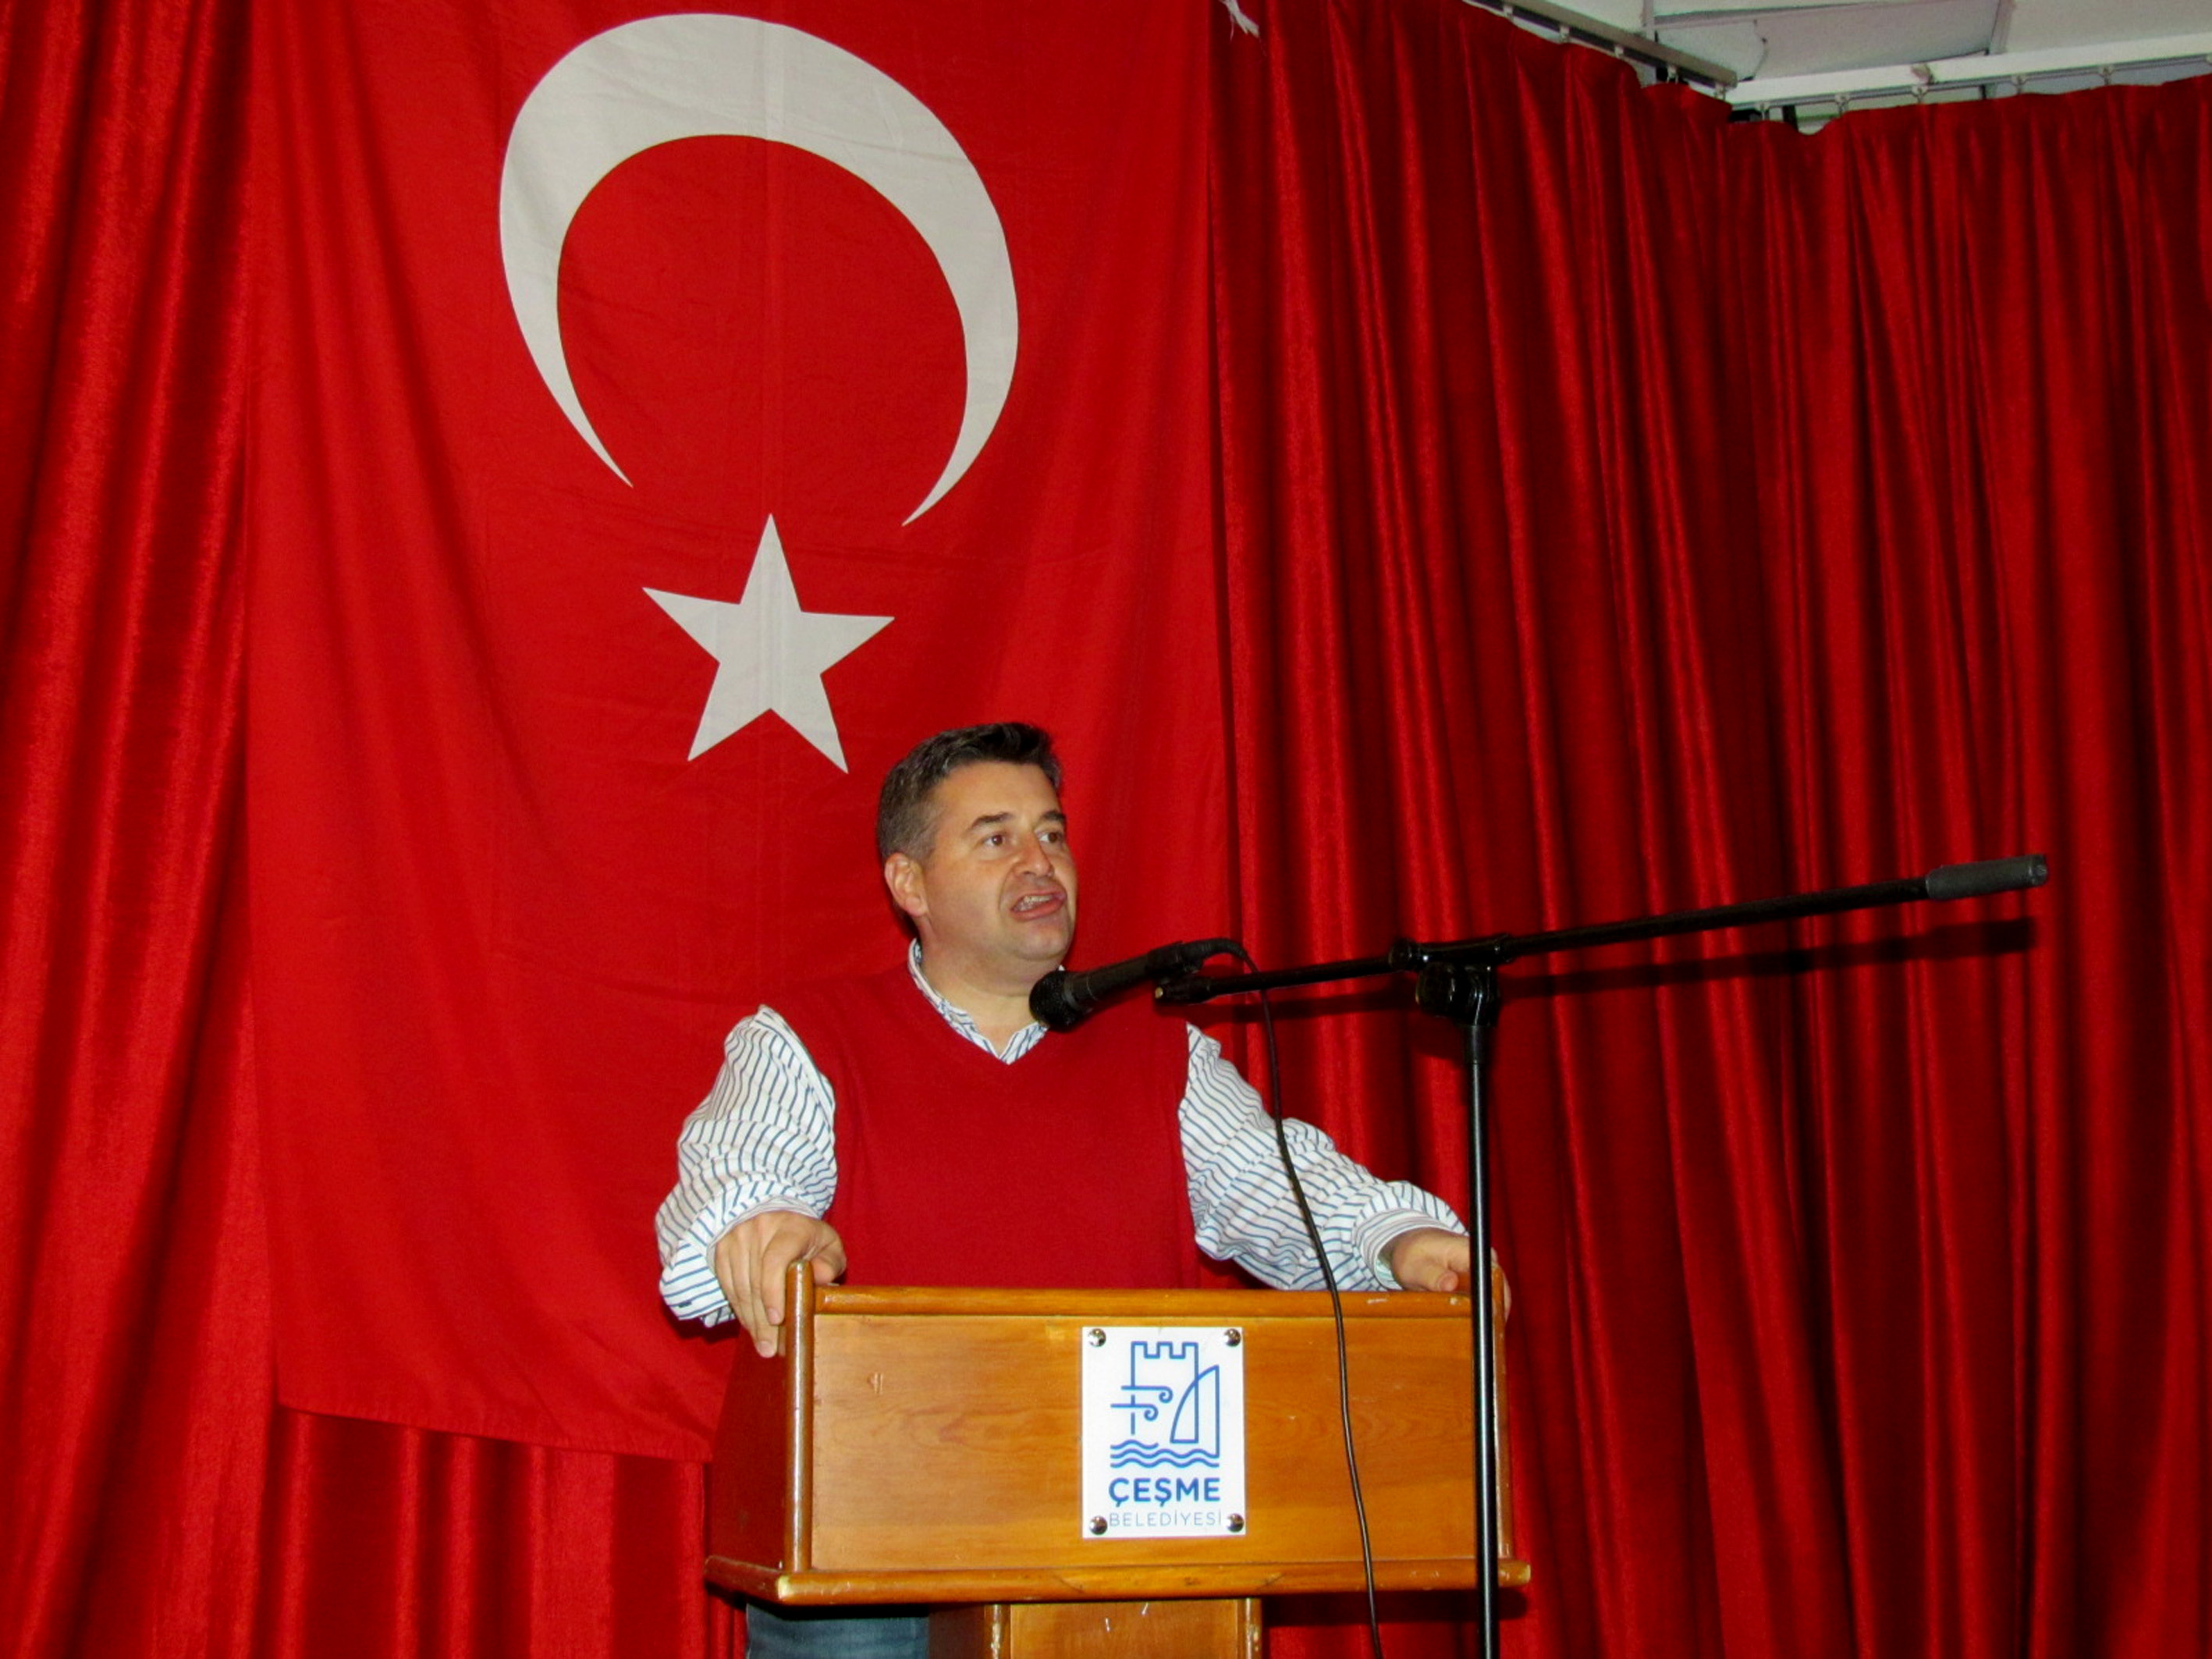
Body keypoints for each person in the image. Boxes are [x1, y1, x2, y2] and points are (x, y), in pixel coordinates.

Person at [656, 722, 1472, 1658]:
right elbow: (727, 1204)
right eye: (995, 837)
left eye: (1051, 832)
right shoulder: (807, 1037)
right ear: (909, 883)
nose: (1039, 860)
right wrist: (767, 1232)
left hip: (1126, 1551)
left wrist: (1401, 1240)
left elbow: (1279, 1186)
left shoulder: (1162, 1054)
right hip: (869, 1560)